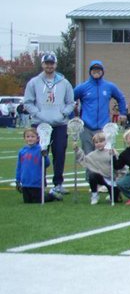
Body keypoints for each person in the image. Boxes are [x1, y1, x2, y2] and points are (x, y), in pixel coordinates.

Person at [23, 52, 74, 195]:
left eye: (52, 63)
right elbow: (27, 102)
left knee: (59, 154)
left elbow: (71, 102)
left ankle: (58, 183)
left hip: (59, 124)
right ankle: (40, 183)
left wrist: (63, 113)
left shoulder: (64, 82)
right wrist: (38, 114)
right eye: (47, 63)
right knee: (40, 154)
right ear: (42, 64)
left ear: (55, 65)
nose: (49, 66)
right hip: (40, 124)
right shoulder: (34, 82)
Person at [73, 60, 127, 154]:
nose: (96, 71)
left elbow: (121, 98)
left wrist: (122, 113)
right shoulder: (83, 87)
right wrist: (73, 116)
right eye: (94, 69)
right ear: (90, 71)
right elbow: (69, 100)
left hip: (104, 127)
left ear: (102, 71)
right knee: (89, 156)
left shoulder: (109, 86)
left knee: (105, 156)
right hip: (86, 127)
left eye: (98, 69)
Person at [78, 130, 119, 204]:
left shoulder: (111, 152)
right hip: (100, 178)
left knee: (115, 199)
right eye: (96, 142)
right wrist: (77, 150)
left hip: (111, 179)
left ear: (105, 142)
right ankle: (94, 195)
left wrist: (114, 156)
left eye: (101, 141)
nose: (99, 144)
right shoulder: (92, 155)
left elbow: (118, 166)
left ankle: (114, 194)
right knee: (92, 175)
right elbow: (84, 160)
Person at [16, 127, 55, 203]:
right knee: (27, 202)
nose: (30, 139)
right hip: (25, 182)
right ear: (24, 138)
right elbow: (19, 167)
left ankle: (52, 196)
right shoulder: (22, 151)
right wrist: (17, 180)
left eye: (32, 137)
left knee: (38, 200)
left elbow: (46, 164)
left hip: (36, 182)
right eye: (28, 137)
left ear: (37, 139)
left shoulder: (40, 149)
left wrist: (44, 155)